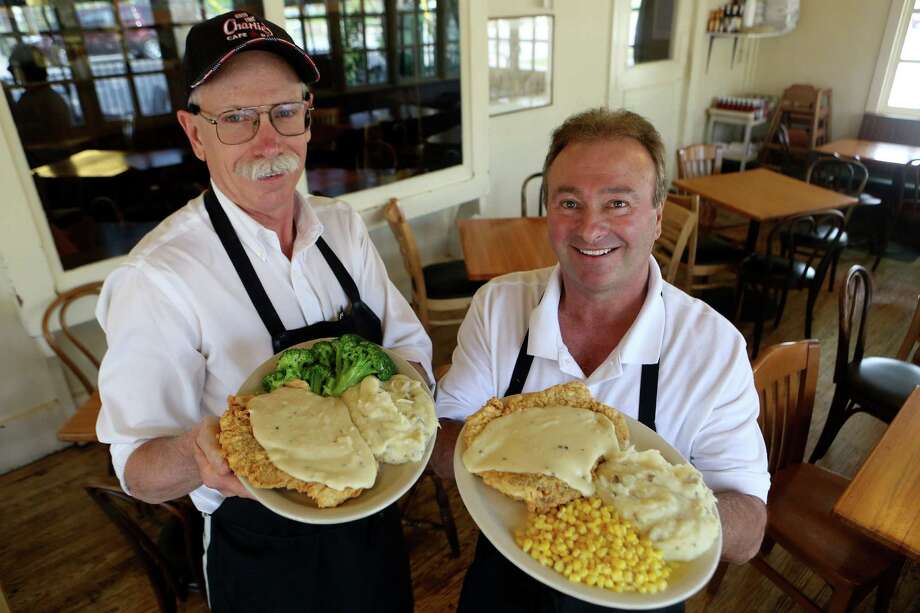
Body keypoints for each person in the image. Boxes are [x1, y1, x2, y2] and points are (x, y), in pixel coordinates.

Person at [95, 11, 431, 612]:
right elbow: (138, 471)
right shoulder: (157, 279)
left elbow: (407, 348)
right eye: (236, 120)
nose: (269, 141)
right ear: (195, 134)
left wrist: (401, 410)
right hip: (261, 543)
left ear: (307, 118)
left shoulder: (343, 227)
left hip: (374, 511)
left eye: (284, 112)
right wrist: (201, 451)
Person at [434, 108, 769, 613]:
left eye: (617, 203)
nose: (590, 229)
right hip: (506, 574)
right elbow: (442, 440)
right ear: (548, 212)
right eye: (570, 202)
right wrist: (526, 462)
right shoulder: (499, 306)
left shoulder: (714, 349)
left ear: (657, 217)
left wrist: (664, 506)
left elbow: (748, 532)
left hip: (637, 584)